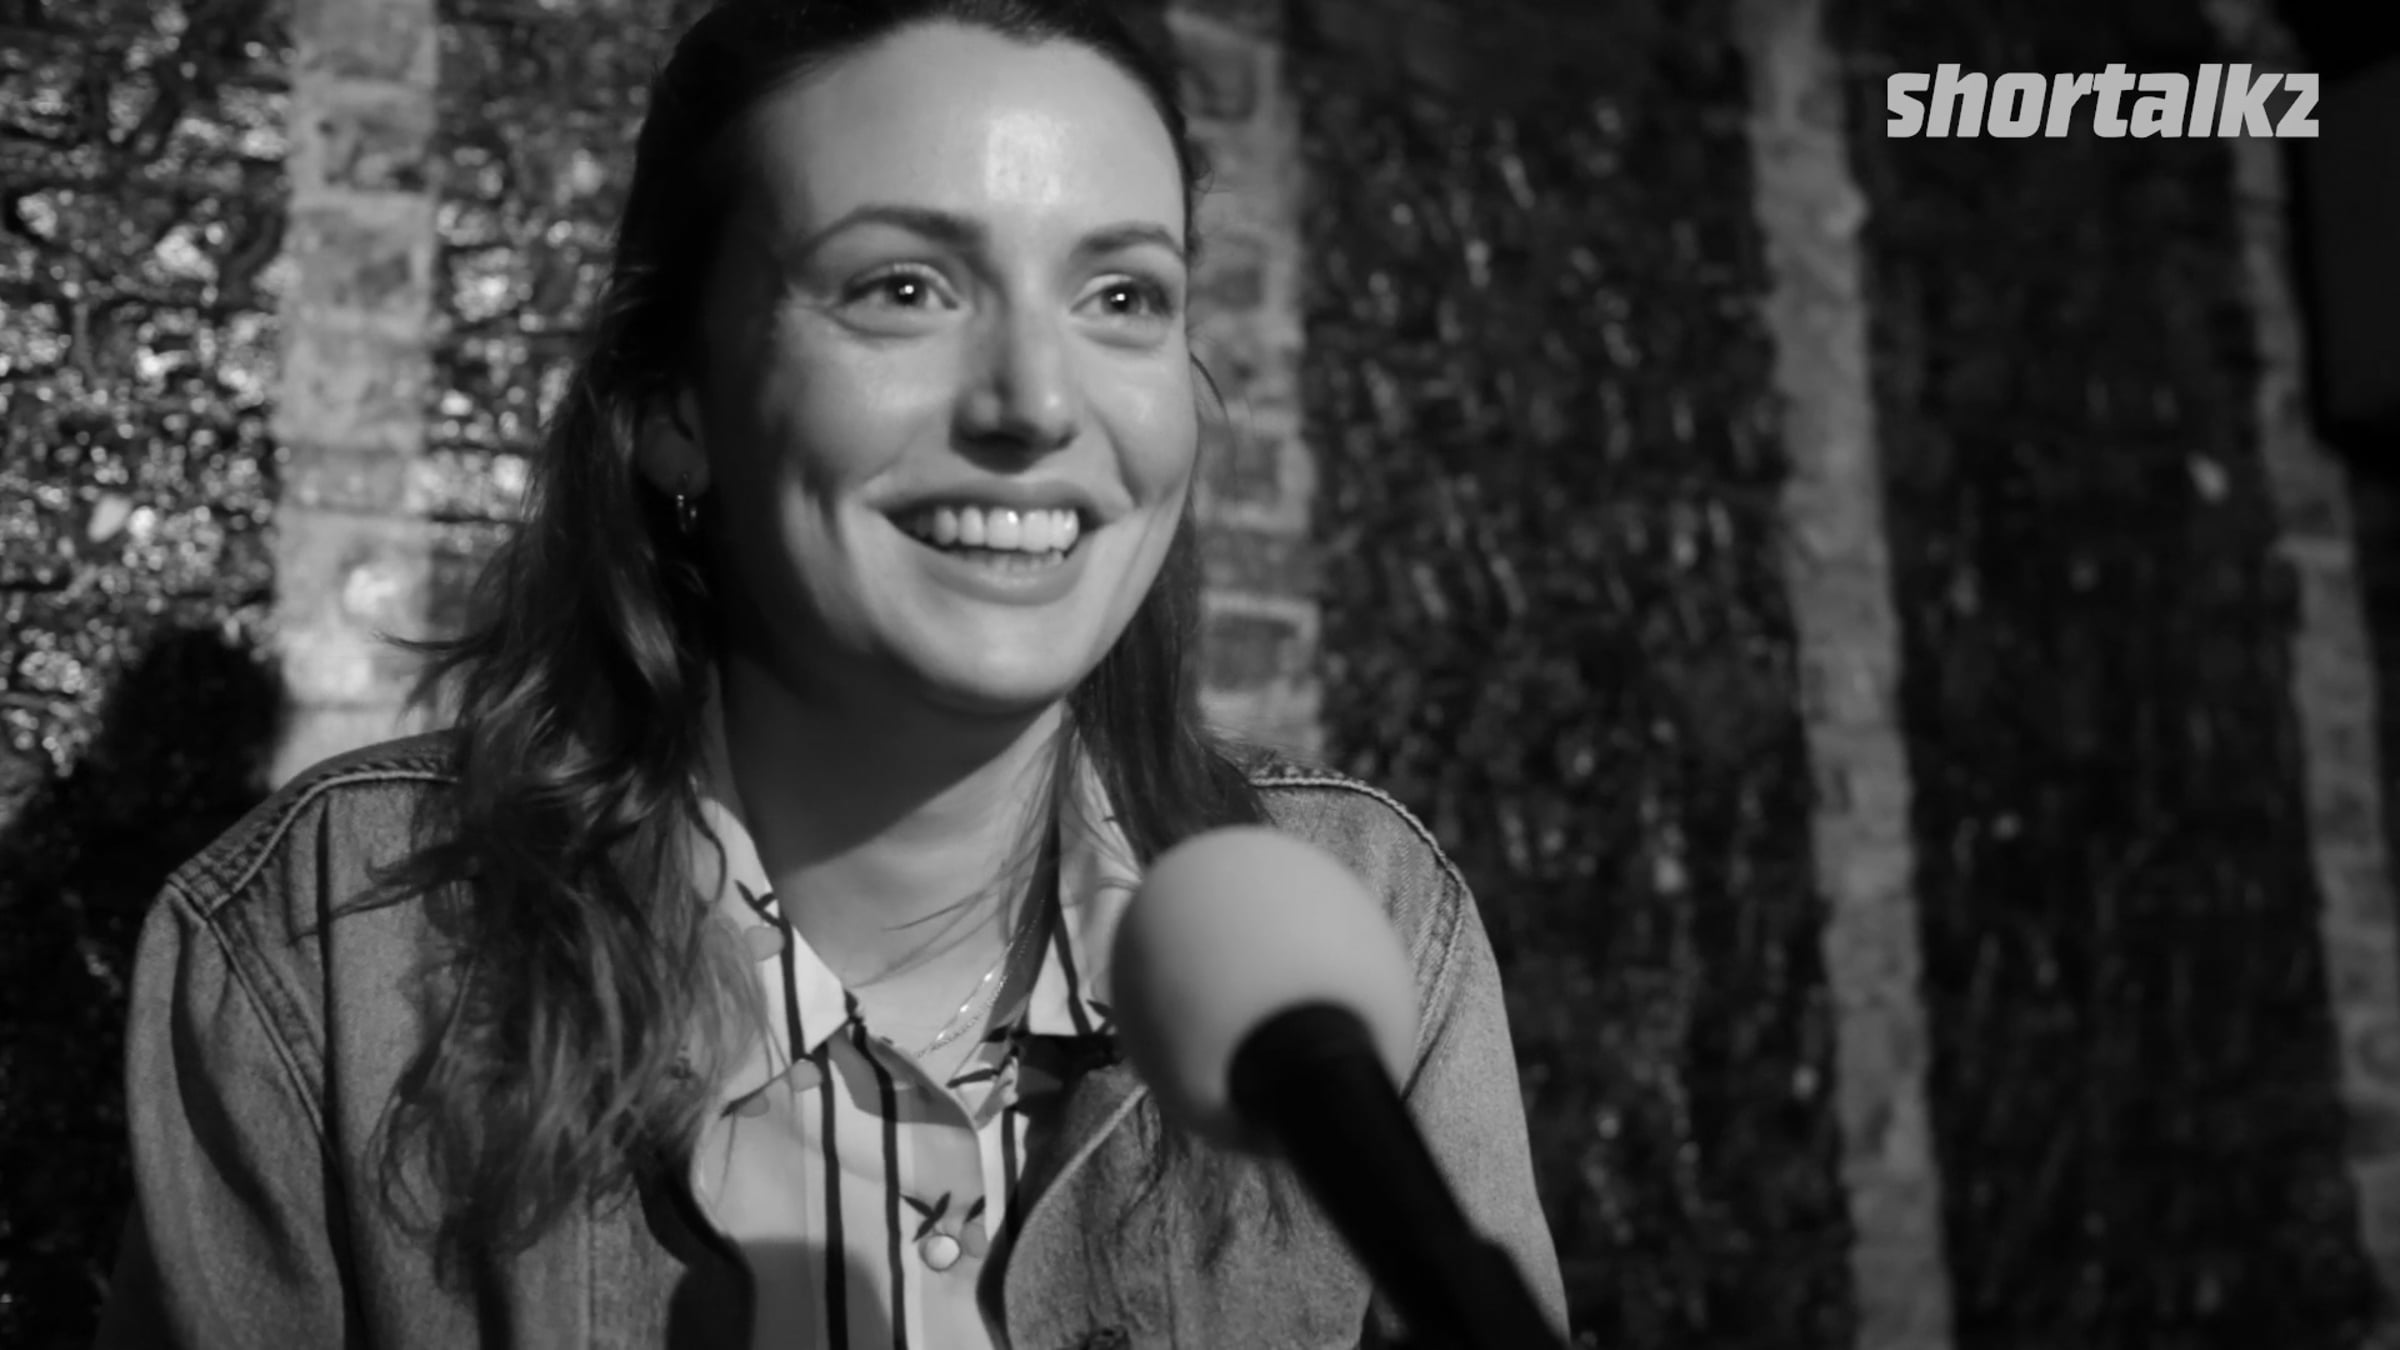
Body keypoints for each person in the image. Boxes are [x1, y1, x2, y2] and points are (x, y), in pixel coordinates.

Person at [95, 0, 1565, 1344]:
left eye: (1123, 296)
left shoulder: (1367, 921)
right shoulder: (328, 959)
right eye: (903, 287)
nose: (1037, 402)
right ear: (675, 405)